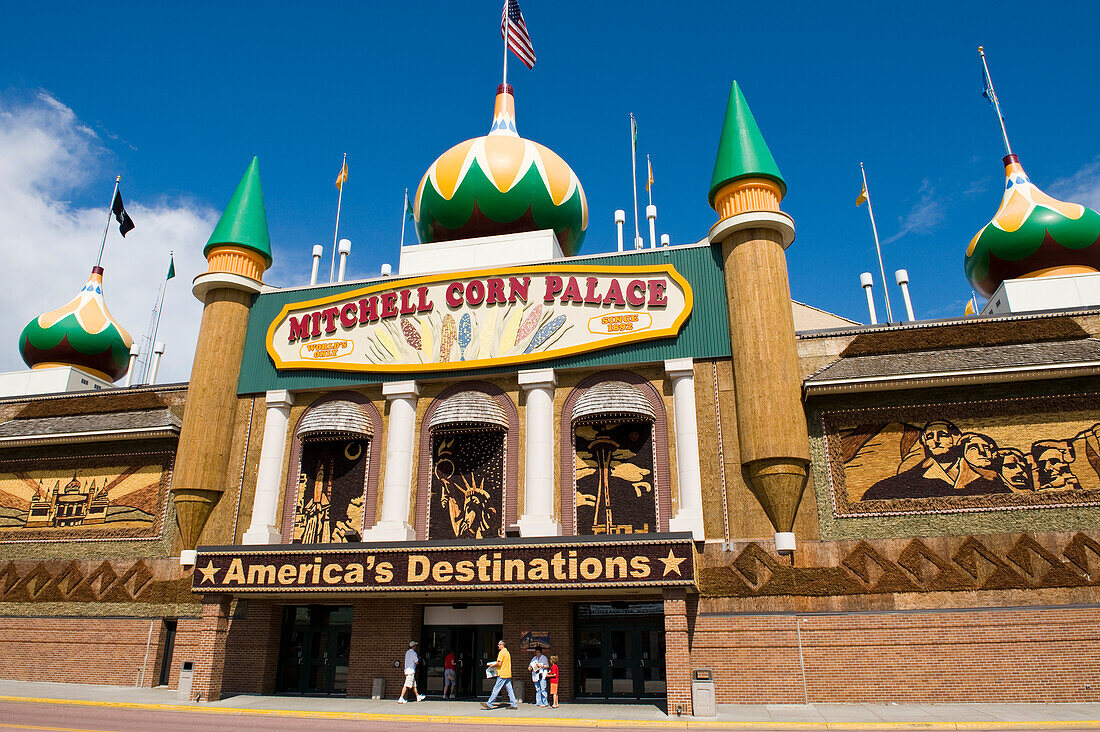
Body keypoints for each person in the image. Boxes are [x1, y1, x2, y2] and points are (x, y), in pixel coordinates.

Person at [481, 639, 518, 709]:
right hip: (507, 673)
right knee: (510, 690)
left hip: (502, 673)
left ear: (502, 645)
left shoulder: (501, 653)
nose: (498, 645)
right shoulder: (507, 652)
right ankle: (514, 704)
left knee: (496, 689)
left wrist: (492, 665)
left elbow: (499, 663)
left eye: (499, 644)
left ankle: (489, 704)